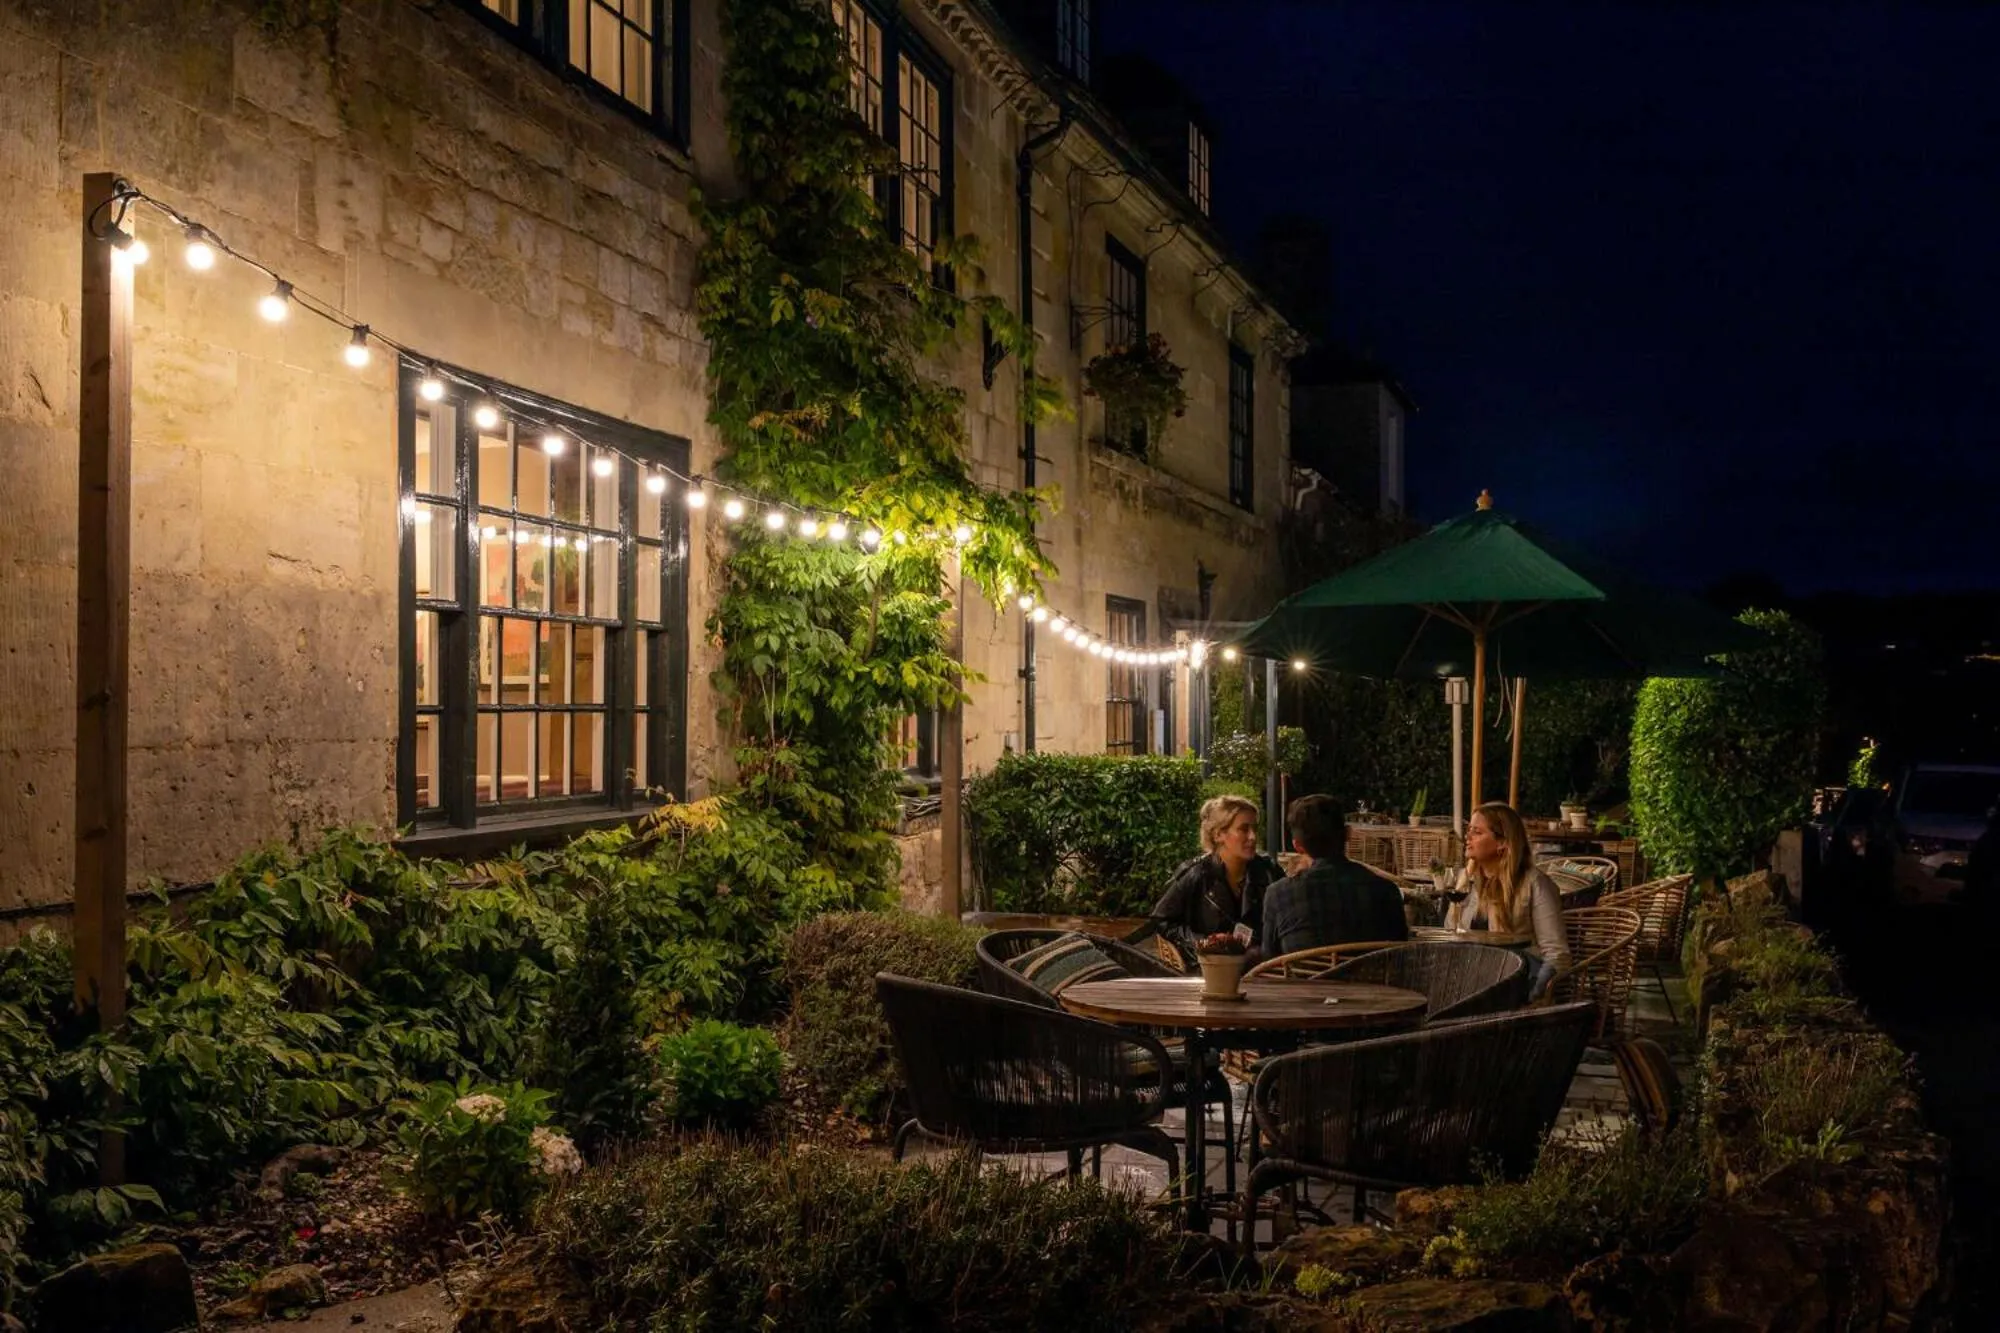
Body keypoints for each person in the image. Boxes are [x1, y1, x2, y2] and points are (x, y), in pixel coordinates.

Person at [1444, 802, 1570, 997]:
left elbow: (1557, 954)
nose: (1467, 837)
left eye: (1477, 832)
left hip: (1515, 985)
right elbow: (1450, 935)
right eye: (1468, 830)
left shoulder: (1534, 883)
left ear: (1502, 842)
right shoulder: (1466, 882)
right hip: (1470, 983)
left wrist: (1535, 996)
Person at [1260, 794, 1410, 958]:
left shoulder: (1278, 895)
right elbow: (1401, 958)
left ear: (1297, 846)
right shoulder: (1387, 891)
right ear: (1348, 834)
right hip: (1369, 983)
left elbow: (1268, 961)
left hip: (1303, 983)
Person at [1149, 794, 1282, 966]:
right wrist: (1205, 944)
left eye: (1255, 829)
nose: (1253, 837)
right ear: (1219, 834)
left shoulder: (1268, 872)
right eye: (1244, 829)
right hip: (1208, 970)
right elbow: (1162, 920)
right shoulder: (1196, 874)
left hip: (1263, 972)